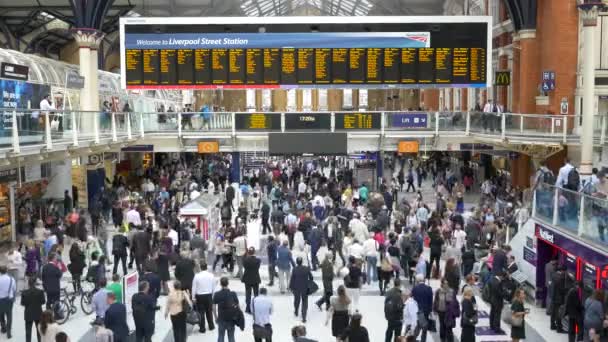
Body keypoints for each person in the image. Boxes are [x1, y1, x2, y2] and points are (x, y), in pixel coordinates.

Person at [213, 276, 240, 342]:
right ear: (228, 283)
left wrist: (216, 317)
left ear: (220, 284)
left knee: (221, 336)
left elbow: (213, 307)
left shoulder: (217, 294)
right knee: (231, 337)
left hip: (221, 318)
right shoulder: (233, 294)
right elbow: (238, 307)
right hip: (231, 318)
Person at [192, 261, 216, 333]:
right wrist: (213, 296)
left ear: (200, 267)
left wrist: (193, 297)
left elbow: (194, 287)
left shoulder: (197, 276)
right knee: (209, 311)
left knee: (201, 312)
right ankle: (211, 326)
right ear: (206, 267)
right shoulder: (211, 275)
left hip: (199, 296)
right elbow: (213, 287)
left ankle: (202, 328)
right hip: (208, 295)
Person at [22, 277, 45, 342]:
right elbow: (43, 302)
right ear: (35, 283)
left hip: (28, 314)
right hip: (38, 313)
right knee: (39, 330)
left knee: (28, 331)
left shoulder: (24, 293)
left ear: (28, 284)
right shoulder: (40, 292)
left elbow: (23, 303)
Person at [290, 257, 314, 323]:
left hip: (296, 288)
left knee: (296, 300)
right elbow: (311, 277)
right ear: (302, 261)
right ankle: (304, 317)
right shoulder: (306, 268)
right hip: (305, 287)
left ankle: (296, 311)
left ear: (297, 262)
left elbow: (292, 279)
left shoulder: (294, 269)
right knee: (304, 302)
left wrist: (291, 287)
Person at [434, 278, 457, 342]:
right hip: (441, 311)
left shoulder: (451, 291)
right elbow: (436, 300)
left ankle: (449, 338)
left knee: (448, 326)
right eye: (444, 283)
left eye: (447, 283)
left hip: (448, 312)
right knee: (442, 324)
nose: (446, 285)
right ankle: (443, 338)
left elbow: (454, 301)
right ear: (442, 284)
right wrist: (435, 309)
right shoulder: (438, 291)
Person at [412, 274, 433, 342]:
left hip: (417, 310)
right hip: (426, 310)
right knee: (424, 327)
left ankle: (413, 338)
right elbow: (430, 301)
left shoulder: (415, 288)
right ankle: (423, 340)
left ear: (418, 280)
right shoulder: (429, 288)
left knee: (418, 325)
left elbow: (412, 299)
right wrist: (430, 310)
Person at [242, 247, 261, 314]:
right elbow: (258, 267)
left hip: (247, 278)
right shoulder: (258, 260)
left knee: (248, 294)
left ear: (248, 253)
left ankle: (248, 308)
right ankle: (256, 307)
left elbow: (244, 266)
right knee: (256, 294)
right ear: (254, 252)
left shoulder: (245, 260)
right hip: (255, 278)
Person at [0, 265, 16, 339]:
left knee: (1, 314)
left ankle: (3, 328)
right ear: (7, 270)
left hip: (0, 299)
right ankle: (9, 332)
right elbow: (14, 289)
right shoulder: (11, 279)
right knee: (9, 315)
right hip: (9, 299)